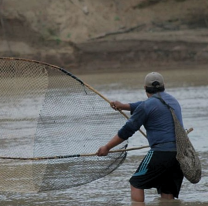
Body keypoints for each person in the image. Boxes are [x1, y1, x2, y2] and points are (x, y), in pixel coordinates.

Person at [96, 72, 184, 203]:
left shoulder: (146, 106)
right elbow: (149, 105)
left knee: (136, 182)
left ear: (145, 88)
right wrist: (123, 106)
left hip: (161, 153)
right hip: (179, 155)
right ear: (163, 86)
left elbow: (127, 131)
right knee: (167, 191)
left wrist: (107, 147)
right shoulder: (173, 101)